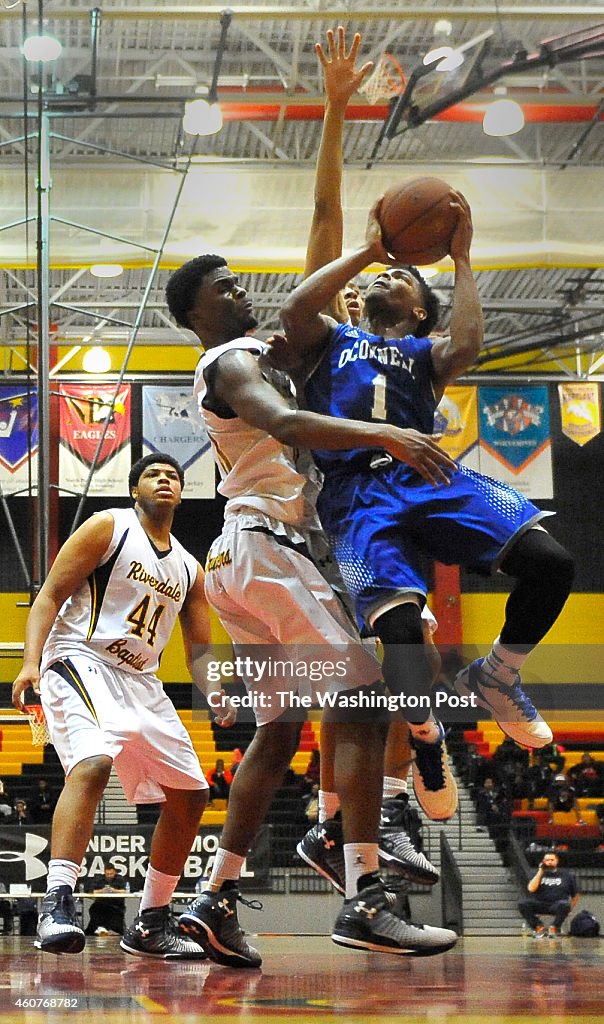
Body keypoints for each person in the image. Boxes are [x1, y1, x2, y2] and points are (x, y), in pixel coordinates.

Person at [165, 254, 457, 965]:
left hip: (241, 558)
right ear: (195, 316)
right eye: (223, 290)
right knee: (361, 699)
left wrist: (353, 314)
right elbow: (287, 422)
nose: (240, 295)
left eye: (237, 284)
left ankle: (214, 897)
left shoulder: (268, 353)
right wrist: (387, 435)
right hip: (269, 549)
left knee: (279, 731)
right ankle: (365, 893)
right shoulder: (231, 359)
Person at [280, 181, 574, 755]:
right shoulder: (330, 341)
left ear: (420, 311)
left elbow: (466, 345)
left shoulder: (426, 355)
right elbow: (294, 308)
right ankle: (423, 731)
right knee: (402, 638)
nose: (382, 279)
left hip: (431, 475)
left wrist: (462, 259)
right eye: (379, 277)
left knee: (552, 563)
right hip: (356, 494)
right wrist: (371, 250)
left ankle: (498, 674)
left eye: (400, 277)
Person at [12, 452, 234, 958]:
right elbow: (49, 595)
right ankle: (57, 902)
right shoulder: (107, 527)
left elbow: (199, 646)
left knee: (192, 793)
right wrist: (29, 663)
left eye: (173, 475)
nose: (165, 480)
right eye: (154, 474)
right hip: (79, 658)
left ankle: (152, 921)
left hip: (141, 680)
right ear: (135, 489)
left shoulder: (188, 568)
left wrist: (215, 688)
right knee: (92, 764)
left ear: (182, 492)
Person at [518, 851, 579, 937]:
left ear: (557, 861)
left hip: (557, 904)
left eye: (552, 860)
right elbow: (531, 889)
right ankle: (538, 927)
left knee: (565, 904)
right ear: (543, 861)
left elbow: (575, 895)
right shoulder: (537, 874)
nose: (549, 862)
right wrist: (540, 872)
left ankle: (554, 927)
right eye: (547, 860)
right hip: (539, 903)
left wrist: (570, 908)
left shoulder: (567, 875)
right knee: (523, 904)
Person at [84, 861, 128, 936]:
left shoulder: (120, 879)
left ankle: (115, 930)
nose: (109, 876)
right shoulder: (100, 879)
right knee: (94, 909)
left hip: (116, 904)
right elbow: (91, 891)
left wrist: (114, 890)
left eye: (111, 874)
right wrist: (102, 891)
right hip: (101, 903)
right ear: (104, 873)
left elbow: (125, 891)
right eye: (107, 874)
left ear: (115, 872)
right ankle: (97, 929)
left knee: (113, 911)